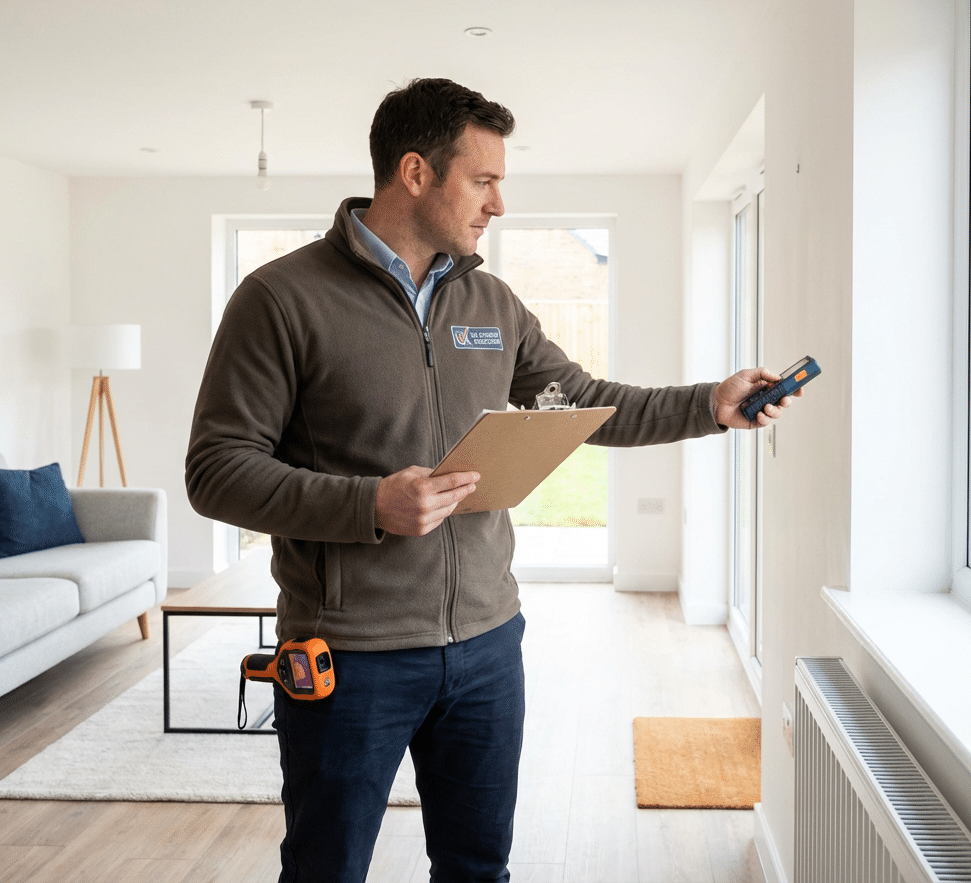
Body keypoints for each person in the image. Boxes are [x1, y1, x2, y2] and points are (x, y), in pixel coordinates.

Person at [185, 77, 798, 883]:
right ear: (415, 172)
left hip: (486, 647)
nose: (498, 204)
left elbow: (584, 402)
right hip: (351, 656)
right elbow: (216, 471)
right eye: (483, 180)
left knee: (479, 870)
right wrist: (370, 504)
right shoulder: (280, 298)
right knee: (325, 870)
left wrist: (709, 404)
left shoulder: (491, 302)